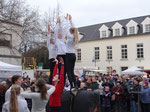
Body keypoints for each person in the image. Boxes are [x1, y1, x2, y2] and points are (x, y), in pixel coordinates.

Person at [65, 14, 78, 89]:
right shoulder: (75, 36)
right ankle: (75, 85)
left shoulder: (70, 36)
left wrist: (67, 20)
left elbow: (67, 28)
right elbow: (74, 28)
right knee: (72, 71)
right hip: (73, 55)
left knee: (68, 72)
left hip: (68, 55)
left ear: (71, 31)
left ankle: (72, 85)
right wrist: (70, 20)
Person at [54, 17, 67, 84]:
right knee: (60, 68)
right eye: (59, 34)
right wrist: (58, 23)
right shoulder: (57, 40)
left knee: (65, 69)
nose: (60, 34)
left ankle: (64, 82)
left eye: (60, 34)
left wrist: (60, 24)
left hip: (65, 55)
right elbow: (56, 31)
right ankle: (59, 81)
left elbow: (62, 31)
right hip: (59, 55)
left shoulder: (62, 40)